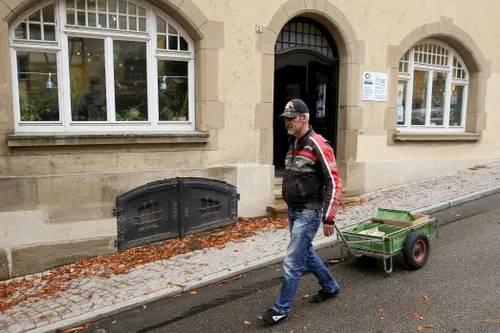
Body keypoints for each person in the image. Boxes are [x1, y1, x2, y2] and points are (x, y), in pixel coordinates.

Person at [257, 98, 343, 325]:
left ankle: (280, 309)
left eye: (291, 118)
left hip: (309, 212)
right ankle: (331, 286)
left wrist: (329, 217)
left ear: (304, 118)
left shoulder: (318, 144)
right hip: (294, 211)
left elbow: (334, 183)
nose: (288, 122)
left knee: (293, 262)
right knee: (306, 254)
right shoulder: (294, 143)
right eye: (285, 119)